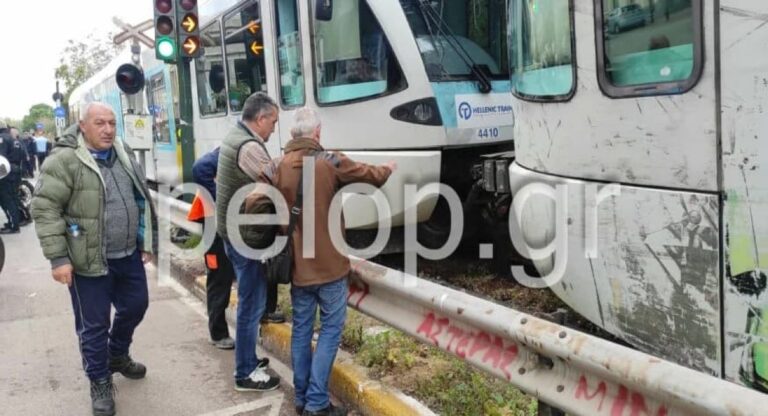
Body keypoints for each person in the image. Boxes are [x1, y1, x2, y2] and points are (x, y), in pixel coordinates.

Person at [265, 108, 394, 416]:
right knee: (331, 330)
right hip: (331, 267)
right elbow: (369, 175)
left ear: (293, 135)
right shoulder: (331, 161)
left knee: (301, 331)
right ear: (317, 134)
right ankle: (316, 402)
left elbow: (255, 199)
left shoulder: (277, 166)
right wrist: (388, 169)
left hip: (299, 269)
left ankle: (301, 397)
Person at [31, 102, 157, 416]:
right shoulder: (64, 160)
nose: (108, 129)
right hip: (88, 260)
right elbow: (45, 209)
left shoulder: (123, 152)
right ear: (83, 126)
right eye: (100, 123)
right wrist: (58, 258)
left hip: (126, 254)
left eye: (112, 123)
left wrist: (145, 240)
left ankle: (117, 354)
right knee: (94, 325)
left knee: (136, 305)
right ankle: (99, 381)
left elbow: (140, 198)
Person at [215, 92, 281, 392]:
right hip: (246, 238)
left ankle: (249, 359)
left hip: (232, 232)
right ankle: (244, 372)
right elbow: (277, 179)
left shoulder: (234, 135)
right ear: (261, 118)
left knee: (249, 302)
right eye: (273, 122)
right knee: (251, 305)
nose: (273, 130)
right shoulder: (250, 146)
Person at [189, 147, 237, 350]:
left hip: (222, 225)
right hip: (213, 228)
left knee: (227, 275)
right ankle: (217, 333)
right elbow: (199, 168)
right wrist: (221, 198)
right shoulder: (230, 149)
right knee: (219, 278)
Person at [0, 122, 25, 233]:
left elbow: (1, 159)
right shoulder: (14, 139)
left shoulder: (2, 139)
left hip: (6, 172)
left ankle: (14, 225)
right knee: (13, 199)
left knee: (6, 200)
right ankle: (16, 221)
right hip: (15, 170)